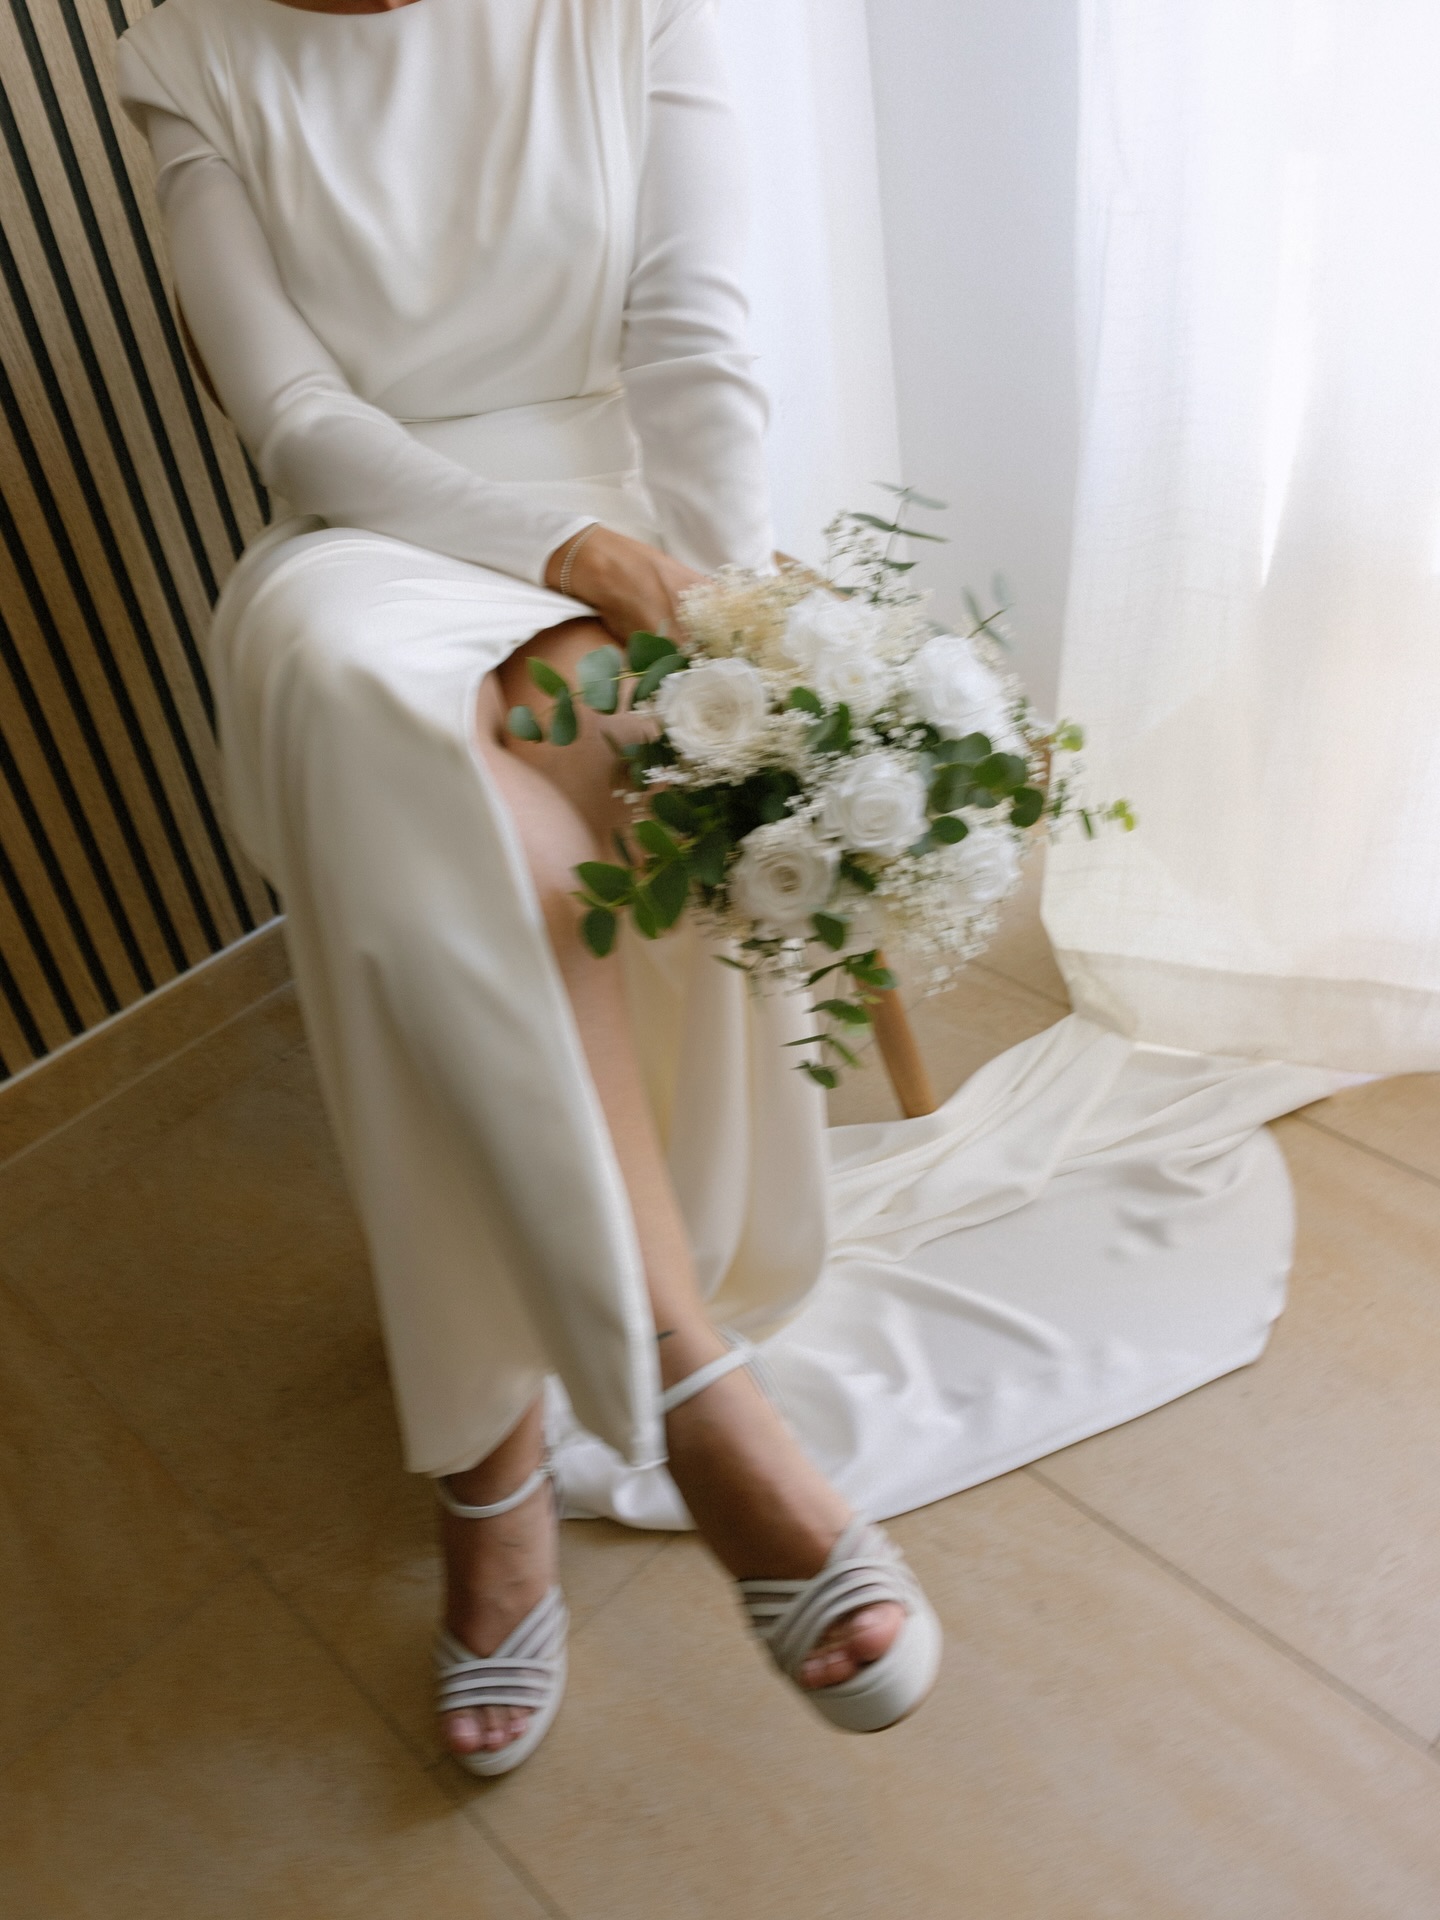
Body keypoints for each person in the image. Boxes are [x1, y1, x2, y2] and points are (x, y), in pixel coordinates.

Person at [116, 0, 942, 1775]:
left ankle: (494, 1460)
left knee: (487, 841)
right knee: (362, 706)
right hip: (368, 546)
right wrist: (547, 558)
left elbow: (691, 341)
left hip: (629, 512)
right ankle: (691, 1390)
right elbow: (291, 415)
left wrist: (725, 639)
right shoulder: (181, 52)